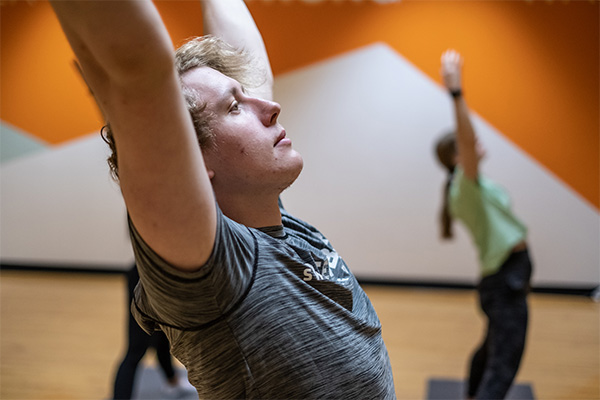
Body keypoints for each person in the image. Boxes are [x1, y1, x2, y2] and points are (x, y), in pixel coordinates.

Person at [50, 0, 396, 398]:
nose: (271, 107)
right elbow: (137, 70)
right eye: (235, 106)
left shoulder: (266, 224)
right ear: (196, 163)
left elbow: (248, 61)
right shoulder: (221, 275)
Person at [434, 49, 533, 399]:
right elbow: (466, 139)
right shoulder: (465, 184)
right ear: (458, 157)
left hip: (505, 277)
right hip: (505, 279)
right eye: (468, 145)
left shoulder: (470, 187)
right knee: (505, 360)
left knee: (493, 348)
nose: (476, 144)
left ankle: (473, 394)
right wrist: (456, 93)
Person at [112, 265, 197, 399]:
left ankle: (172, 381)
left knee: (162, 335)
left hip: (162, 275)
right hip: (147, 277)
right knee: (135, 350)